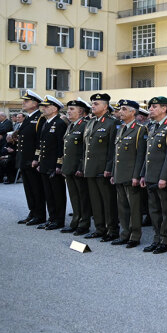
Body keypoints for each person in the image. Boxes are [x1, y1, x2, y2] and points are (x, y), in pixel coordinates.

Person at [140, 97, 167, 254]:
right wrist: (143, 174)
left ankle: (166, 240)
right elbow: (147, 154)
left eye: (154, 106)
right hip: (150, 175)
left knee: (166, 210)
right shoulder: (152, 126)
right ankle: (157, 238)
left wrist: (164, 177)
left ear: (164, 109)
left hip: (162, 177)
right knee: (154, 210)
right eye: (150, 107)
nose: (151, 109)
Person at [111, 100, 148, 248]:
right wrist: (114, 172)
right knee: (122, 207)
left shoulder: (140, 129)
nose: (121, 111)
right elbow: (116, 154)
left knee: (134, 208)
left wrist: (136, 176)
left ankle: (134, 236)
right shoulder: (121, 128)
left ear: (133, 112)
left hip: (131, 174)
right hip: (120, 173)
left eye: (124, 109)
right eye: (120, 109)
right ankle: (124, 234)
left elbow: (141, 155)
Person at [83, 93, 119, 241]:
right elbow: (86, 148)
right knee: (95, 201)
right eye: (92, 103)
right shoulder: (91, 123)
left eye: (96, 104)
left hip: (103, 168)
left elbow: (113, 149)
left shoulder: (112, 123)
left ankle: (112, 230)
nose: (93, 106)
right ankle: (99, 228)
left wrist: (109, 168)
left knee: (108, 201)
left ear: (105, 106)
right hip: (91, 167)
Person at [35, 96, 68, 230]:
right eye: (43, 106)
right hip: (45, 163)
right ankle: (52, 218)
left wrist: (59, 164)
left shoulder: (59, 123)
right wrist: (39, 162)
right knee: (49, 194)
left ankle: (59, 220)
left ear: (55, 109)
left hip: (54, 164)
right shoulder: (46, 122)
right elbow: (42, 144)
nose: (43, 108)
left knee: (57, 193)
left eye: (46, 106)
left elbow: (61, 146)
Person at [61, 98, 92, 236]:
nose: (68, 112)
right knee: (74, 197)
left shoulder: (85, 125)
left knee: (83, 197)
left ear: (81, 112)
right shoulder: (71, 125)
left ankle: (84, 223)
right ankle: (75, 221)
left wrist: (81, 167)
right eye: (68, 109)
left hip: (78, 167)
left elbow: (86, 149)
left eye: (72, 109)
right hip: (69, 167)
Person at [16, 90, 46, 226]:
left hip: (32, 160)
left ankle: (39, 214)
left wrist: (36, 158)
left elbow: (40, 140)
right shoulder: (28, 118)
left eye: (26, 101)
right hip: (24, 159)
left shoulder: (40, 118)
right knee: (28, 188)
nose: (24, 103)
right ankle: (32, 212)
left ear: (35, 104)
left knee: (36, 188)